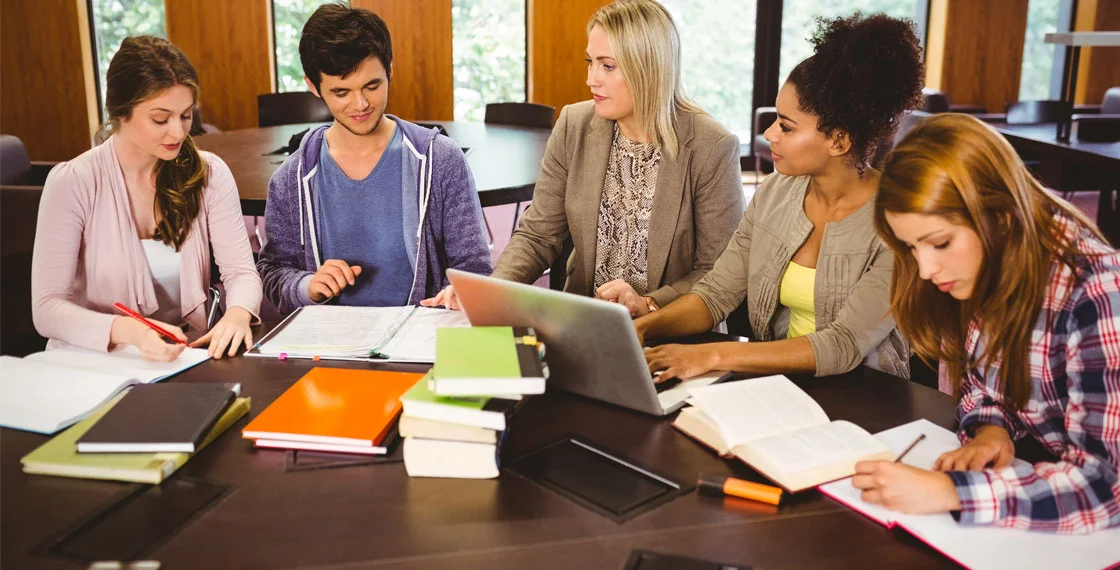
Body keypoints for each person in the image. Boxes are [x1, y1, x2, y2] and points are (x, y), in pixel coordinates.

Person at [852, 113, 1120, 534]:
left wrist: (952, 492)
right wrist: (992, 428)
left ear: (1001, 216)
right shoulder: (989, 262)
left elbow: (1106, 485)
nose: (925, 270)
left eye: (940, 243)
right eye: (911, 247)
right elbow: (983, 384)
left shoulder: (1097, 292)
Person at [636, 14, 923, 379]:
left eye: (786, 126)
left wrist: (711, 356)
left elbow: (843, 345)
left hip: (866, 395)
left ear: (839, 141)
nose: (770, 133)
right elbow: (716, 293)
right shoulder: (775, 192)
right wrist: (642, 328)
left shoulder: (898, 221)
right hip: (775, 386)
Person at [422, 0, 743, 316]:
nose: (591, 79)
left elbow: (717, 272)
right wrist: (489, 290)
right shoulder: (574, 124)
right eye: (590, 62)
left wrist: (648, 303)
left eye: (607, 66)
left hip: (671, 330)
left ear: (649, 68)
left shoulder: (712, 146)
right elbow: (538, 235)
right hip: (583, 322)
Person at [32, 36, 262, 362]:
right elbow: (47, 309)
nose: (178, 132)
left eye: (186, 115)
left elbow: (241, 273)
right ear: (121, 113)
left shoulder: (209, 173)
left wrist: (238, 314)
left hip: (179, 359)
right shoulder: (73, 182)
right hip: (89, 364)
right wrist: (132, 332)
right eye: (160, 119)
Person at [257, 3, 491, 314]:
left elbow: (474, 267)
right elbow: (274, 271)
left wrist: (459, 292)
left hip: (421, 332)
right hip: (331, 336)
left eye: (372, 85)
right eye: (341, 92)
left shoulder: (440, 160)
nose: (361, 104)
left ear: (389, 70)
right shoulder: (290, 178)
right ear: (313, 86)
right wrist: (307, 286)